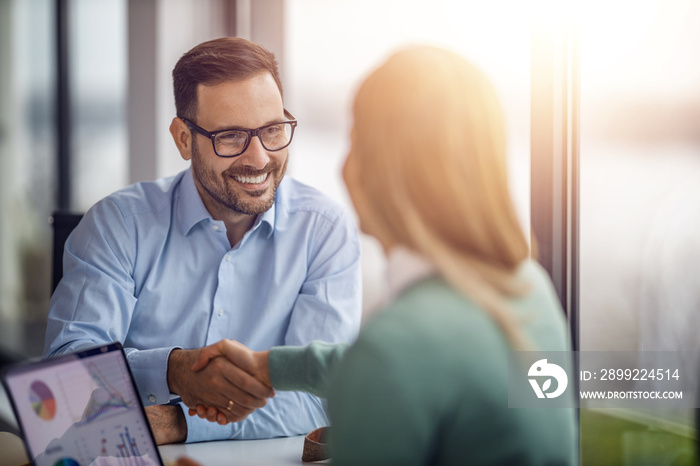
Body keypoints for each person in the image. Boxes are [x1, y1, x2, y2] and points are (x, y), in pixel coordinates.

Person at [186, 45, 578, 465]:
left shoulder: (395, 349)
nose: (344, 165)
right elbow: (406, 366)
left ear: (379, 171)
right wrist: (269, 367)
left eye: (354, 141)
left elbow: (391, 365)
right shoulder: (528, 288)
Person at [43, 37, 362, 444]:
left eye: (272, 130)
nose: (259, 158)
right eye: (230, 136)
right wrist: (174, 371)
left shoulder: (325, 230)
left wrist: (176, 422)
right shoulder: (117, 224)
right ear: (183, 139)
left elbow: (318, 397)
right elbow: (61, 381)